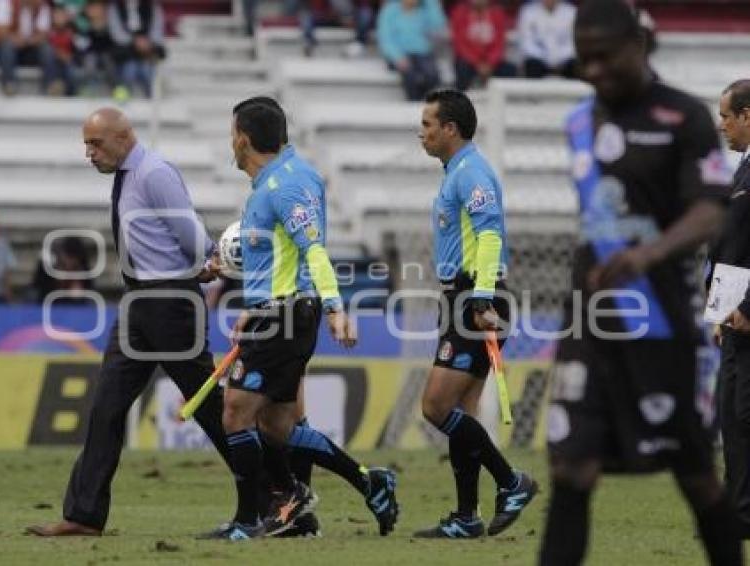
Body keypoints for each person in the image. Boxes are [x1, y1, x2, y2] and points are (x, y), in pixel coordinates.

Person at [539, 1, 743, 564]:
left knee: (696, 474)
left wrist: (647, 254)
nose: (595, 70)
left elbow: (711, 210)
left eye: (606, 57)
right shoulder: (578, 121)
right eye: (585, 60)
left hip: (661, 323)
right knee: (570, 467)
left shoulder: (684, 117)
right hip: (590, 321)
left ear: (640, 47)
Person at [26, 108, 233, 537]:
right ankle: (83, 514)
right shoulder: (128, 174)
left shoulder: (155, 173)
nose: (89, 153)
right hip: (139, 299)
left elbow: (188, 230)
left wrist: (207, 260)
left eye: (96, 143)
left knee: (210, 407)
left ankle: (274, 492)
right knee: (106, 406)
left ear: (123, 137)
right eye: (86, 143)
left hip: (170, 302)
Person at [205, 100, 399, 540]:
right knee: (277, 425)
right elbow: (282, 257)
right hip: (276, 312)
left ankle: (251, 518)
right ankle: (369, 483)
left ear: (243, 138)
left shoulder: (284, 185)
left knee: (235, 413)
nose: (230, 141)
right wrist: (252, 309)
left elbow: (312, 249)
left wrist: (335, 307)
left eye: (231, 132)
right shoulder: (282, 179)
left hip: (287, 313)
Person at [412, 88, 537, 539]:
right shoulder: (457, 172)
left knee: (435, 406)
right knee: (462, 411)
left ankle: (511, 482)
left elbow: (489, 237)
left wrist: (481, 298)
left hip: (475, 298)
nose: (421, 132)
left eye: (428, 124)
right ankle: (467, 516)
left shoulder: (472, 172)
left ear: (450, 128)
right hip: (463, 296)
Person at [710, 79, 750, 539]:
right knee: (732, 416)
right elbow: (730, 245)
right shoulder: (741, 171)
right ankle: (737, 514)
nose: (722, 125)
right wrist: (718, 305)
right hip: (733, 314)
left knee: (745, 415)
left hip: (748, 312)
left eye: (726, 116)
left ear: (747, 116)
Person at [376, 0, 446, 102]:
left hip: (422, 53)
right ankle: (414, 104)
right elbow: (385, 38)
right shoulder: (390, 10)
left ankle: (421, 104)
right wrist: (398, 57)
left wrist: (431, 3)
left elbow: (438, 25)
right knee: (411, 76)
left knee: (433, 76)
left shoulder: (425, 9)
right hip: (399, 54)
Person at [0, 0, 55, 96]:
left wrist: (28, 41)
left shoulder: (41, 6)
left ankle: (50, 86)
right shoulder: (4, 2)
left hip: (30, 47)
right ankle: (9, 85)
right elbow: (1, 32)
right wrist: (15, 39)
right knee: (6, 46)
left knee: (47, 49)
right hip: (6, 48)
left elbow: (43, 35)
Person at [450, 0, 516, 92]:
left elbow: (500, 43)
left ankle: (506, 102)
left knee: (510, 70)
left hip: (491, 61)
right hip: (469, 61)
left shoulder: (497, 13)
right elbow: (460, 44)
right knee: (462, 68)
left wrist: (490, 63)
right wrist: (477, 63)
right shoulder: (460, 12)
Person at [107, 0, 165, 99]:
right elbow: (116, 32)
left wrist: (148, 42)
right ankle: (125, 100)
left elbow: (157, 29)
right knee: (129, 69)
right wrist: (134, 41)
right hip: (125, 52)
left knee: (147, 70)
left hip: (147, 50)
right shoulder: (115, 6)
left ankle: (150, 99)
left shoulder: (152, 5)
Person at [517, 0, 576, 79]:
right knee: (532, 64)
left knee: (574, 64)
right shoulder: (528, 11)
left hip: (564, 60)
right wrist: (545, 58)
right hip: (538, 59)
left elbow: (573, 42)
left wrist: (558, 59)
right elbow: (526, 42)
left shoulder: (571, 12)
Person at [30, 235, 94, 303]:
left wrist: (81, 291)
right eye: (69, 258)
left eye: (73, 260)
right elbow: (37, 285)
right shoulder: (48, 262)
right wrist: (56, 283)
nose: (70, 263)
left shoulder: (83, 265)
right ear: (62, 254)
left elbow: (89, 286)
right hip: (47, 298)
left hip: (71, 304)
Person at [46, 2, 77, 95]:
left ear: (66, 17)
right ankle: (53, 87)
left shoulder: (73, 31)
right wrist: (59, 54)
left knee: (71, 68)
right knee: (52, 63)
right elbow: (46, 47)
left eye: (61, 15)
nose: (59, 18)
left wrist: (69, 56)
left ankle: (71, 93)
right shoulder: (48, 31)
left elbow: (78, 49)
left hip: (69, 60)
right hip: (54, 60)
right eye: (56, 15)